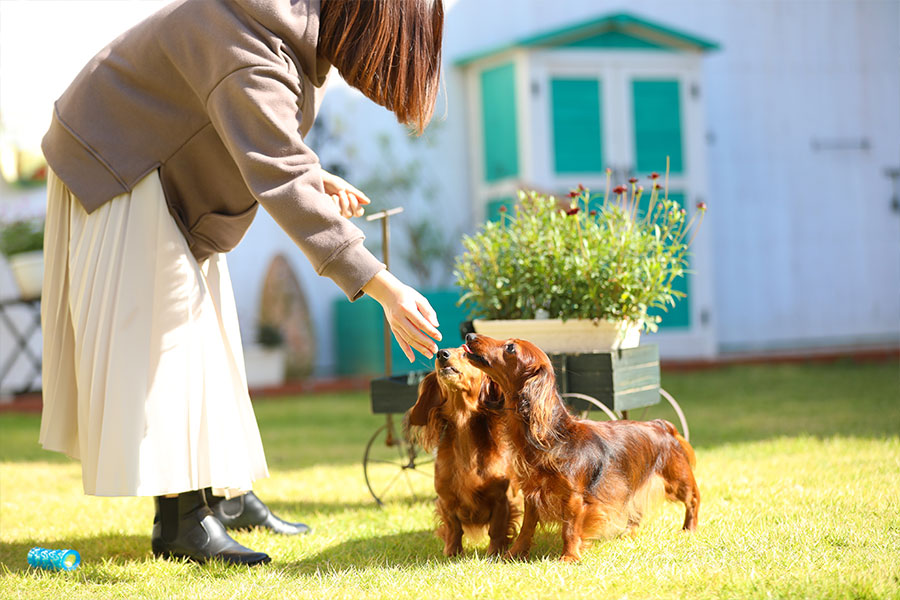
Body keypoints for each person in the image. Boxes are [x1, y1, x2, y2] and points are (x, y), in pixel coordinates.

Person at [38, 0, 444, 566]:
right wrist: (384, 287)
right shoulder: (250, 42)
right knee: (171, 339)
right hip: (119, 158)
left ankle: (223, 494)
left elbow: (255, 131)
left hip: (154, 162)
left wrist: (310, 171)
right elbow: (278, 171)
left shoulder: (292, 39)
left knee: (211, 339)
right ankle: (184, 525)